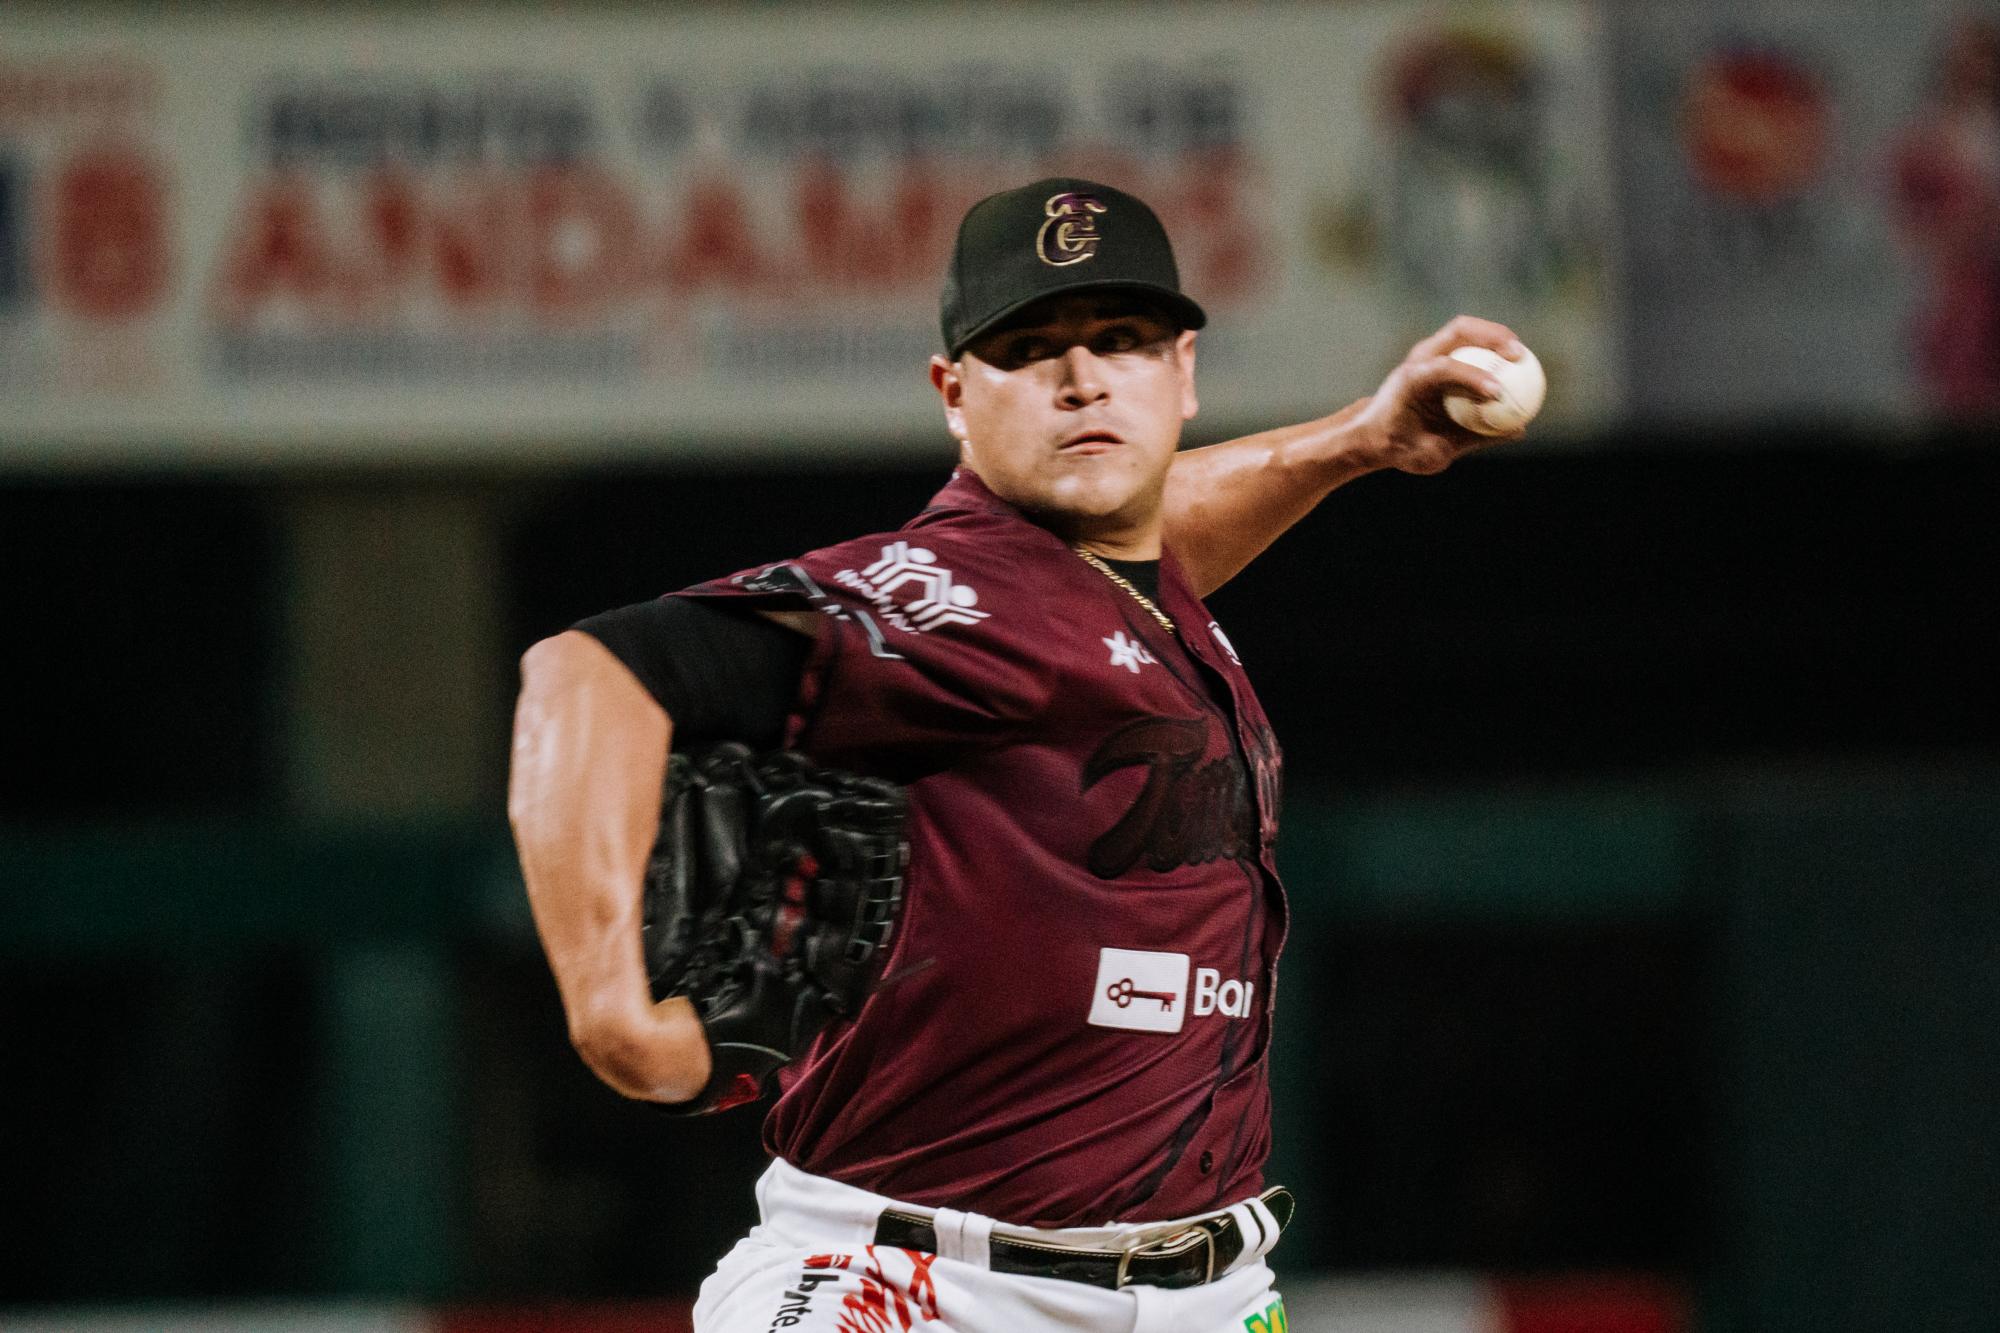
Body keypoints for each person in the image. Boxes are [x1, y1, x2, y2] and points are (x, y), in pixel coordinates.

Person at [508, 177, 1526, 1333]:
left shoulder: (1117, 585)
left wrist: (1355, 440)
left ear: (1182, 372)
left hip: (1206, 1291)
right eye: (1029, 347)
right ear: (953, 395)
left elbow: (1151, 539)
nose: (1080, 377)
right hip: (922, 1289)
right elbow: (588, 673)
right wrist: (610, 1012)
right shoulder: (949, 595)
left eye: (1120, 341)